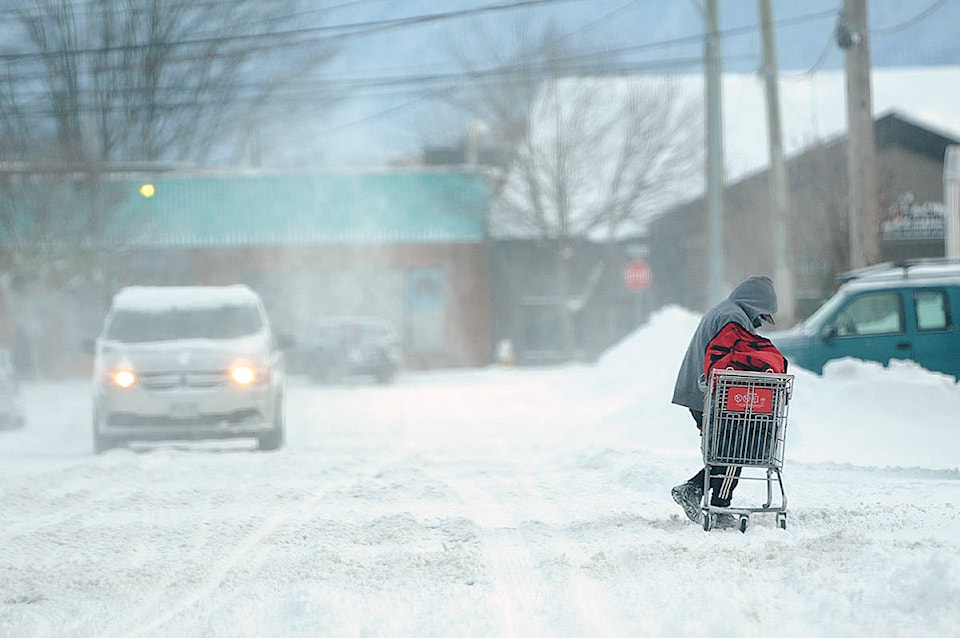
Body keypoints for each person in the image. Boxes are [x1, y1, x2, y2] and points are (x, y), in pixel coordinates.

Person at [670, 275, 778, 527]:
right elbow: (735, 359)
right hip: (711, 394)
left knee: (727, 449)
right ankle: (716, 503)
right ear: (755, 304)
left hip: (700, 392)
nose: (761, 323)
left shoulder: (726, 309)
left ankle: (699, 492)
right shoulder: (734, 318)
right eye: (763, 316)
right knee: (736, 451)